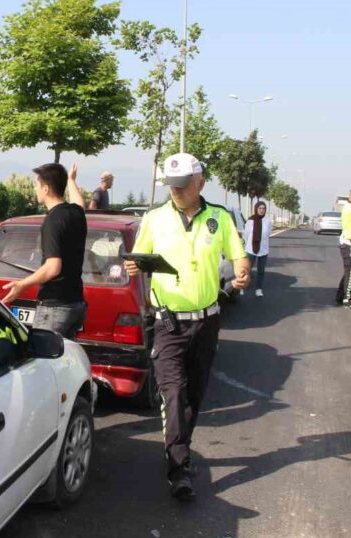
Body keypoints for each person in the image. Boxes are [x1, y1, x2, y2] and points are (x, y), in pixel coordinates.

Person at [124, 152, 251, 500]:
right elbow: (138, 258)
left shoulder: (220, 219)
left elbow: (239, 255)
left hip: (207, 324)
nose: (175, 192)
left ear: (200, 183)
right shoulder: (153, 219)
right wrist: (134, 267)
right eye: (171, 186)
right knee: (174, 393)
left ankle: (182, 445)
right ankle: (178, 469)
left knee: (194, 396)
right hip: (168, 325)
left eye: (182, 186)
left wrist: (243, 271)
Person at [1, 163, 88, 339]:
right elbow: (80, 203)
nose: (35, 189)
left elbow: (53, 267)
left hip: (55, 307)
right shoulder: (76, 213)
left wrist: (22, 284)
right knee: (63, 360)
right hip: (75, 304)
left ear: (46, 188)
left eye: (36, 184)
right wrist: (70, 180)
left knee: (45, 360)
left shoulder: (53, 220)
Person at [244, 201, 272, 297]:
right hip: (251, 249)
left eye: (263, 208)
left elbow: (268, 234)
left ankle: (258, 289)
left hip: (263, 249)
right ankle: (242, 287)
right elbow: (246, 234)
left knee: (261, 271)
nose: (262, 210)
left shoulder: (267, 221)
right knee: (246, 269)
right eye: (260, 208)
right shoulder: (250, 221)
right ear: (256, 209)